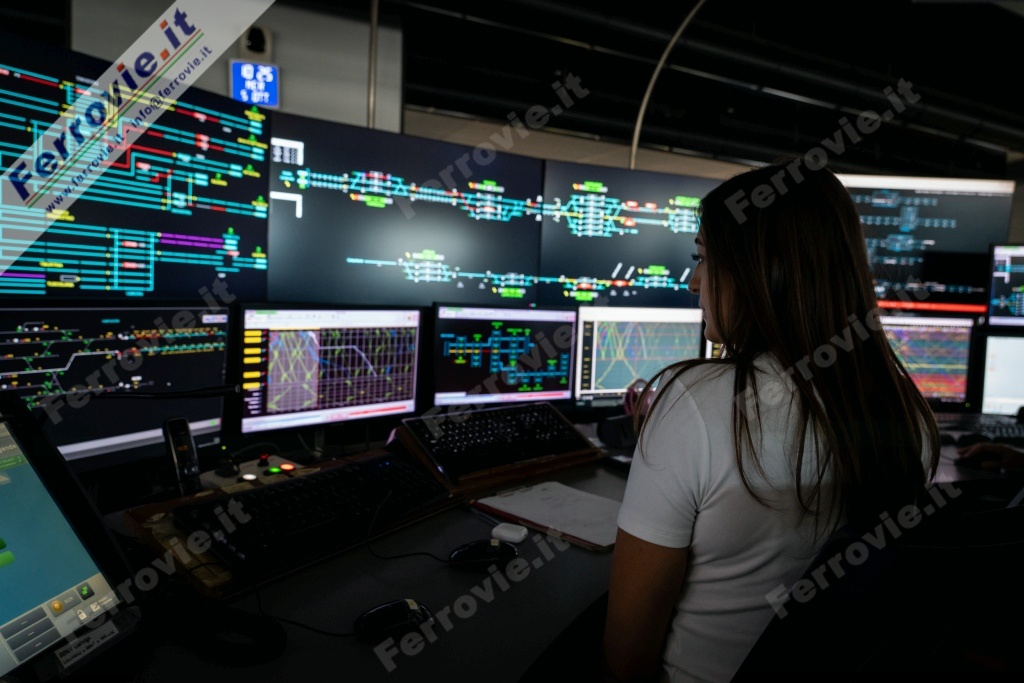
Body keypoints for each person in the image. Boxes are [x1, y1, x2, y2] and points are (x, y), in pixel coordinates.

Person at [601, 159, 940, 683]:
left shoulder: (694, 402)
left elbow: (625, 658)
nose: (694, 283)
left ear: (762, 271)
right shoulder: (906, 411)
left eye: (703, 258)